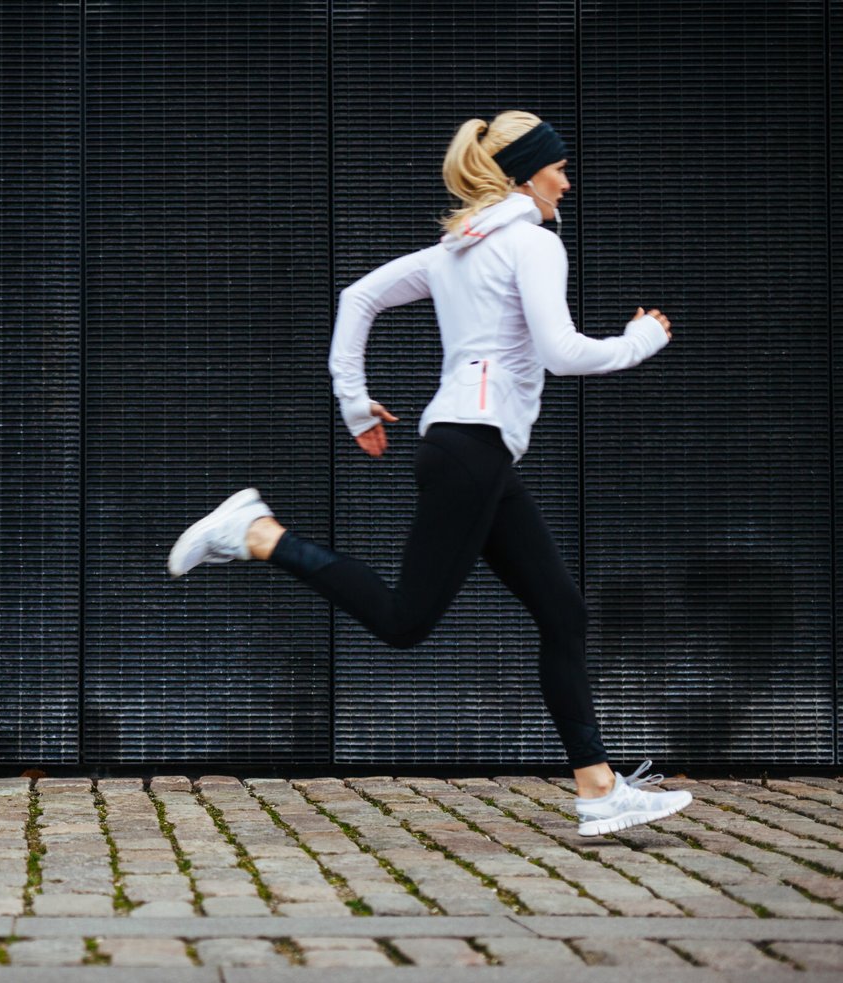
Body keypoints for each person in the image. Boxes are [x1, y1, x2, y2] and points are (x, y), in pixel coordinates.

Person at [167, 110, 691, 837]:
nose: (566, 182)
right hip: (473, 450)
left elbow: (358, 298)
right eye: (557, 168)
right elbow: (563, 351)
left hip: (475, 451)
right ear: (523, 173)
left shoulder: (455, 250)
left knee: (562, 610)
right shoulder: (531, 245)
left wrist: (355, 404)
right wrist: (641, 339)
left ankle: (599, 789)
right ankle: (257, 532)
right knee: (404, 620)